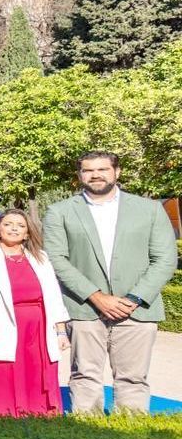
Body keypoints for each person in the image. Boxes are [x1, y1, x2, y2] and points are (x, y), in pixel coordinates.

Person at [43, 152, 177, 414]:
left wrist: (135, 298)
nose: (96, 175)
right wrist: (95, 295)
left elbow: (164, 259)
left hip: (137, 310)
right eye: (88, 170)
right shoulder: (60, 211)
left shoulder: (150, 210)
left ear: (117, 172)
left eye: (103, 169)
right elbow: (56, 260)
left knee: (133, 379)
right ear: (79, 175)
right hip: (84, 309)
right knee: (84, 377)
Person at [0, 209, 71, 417]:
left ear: (27, 233)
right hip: (2, 323)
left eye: (20, 225)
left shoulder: (40, 257)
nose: (14, 228)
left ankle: (41, 411)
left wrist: (60, 332)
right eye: (8, 224)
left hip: (39, 327)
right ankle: (5, 413)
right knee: (4, 367)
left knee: (37, 369)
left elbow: (53, 295)